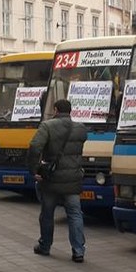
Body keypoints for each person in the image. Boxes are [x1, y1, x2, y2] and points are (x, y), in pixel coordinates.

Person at [27, 99, 89, 262]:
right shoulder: (81, 129)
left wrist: (33, 169)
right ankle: (78, 251)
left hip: (51, 180)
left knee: (47, 214)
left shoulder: (47, 126)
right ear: (70, 111)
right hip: (73, 179)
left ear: (55, 110)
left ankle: (45, 246)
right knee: (75, 214)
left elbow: (34, 147)